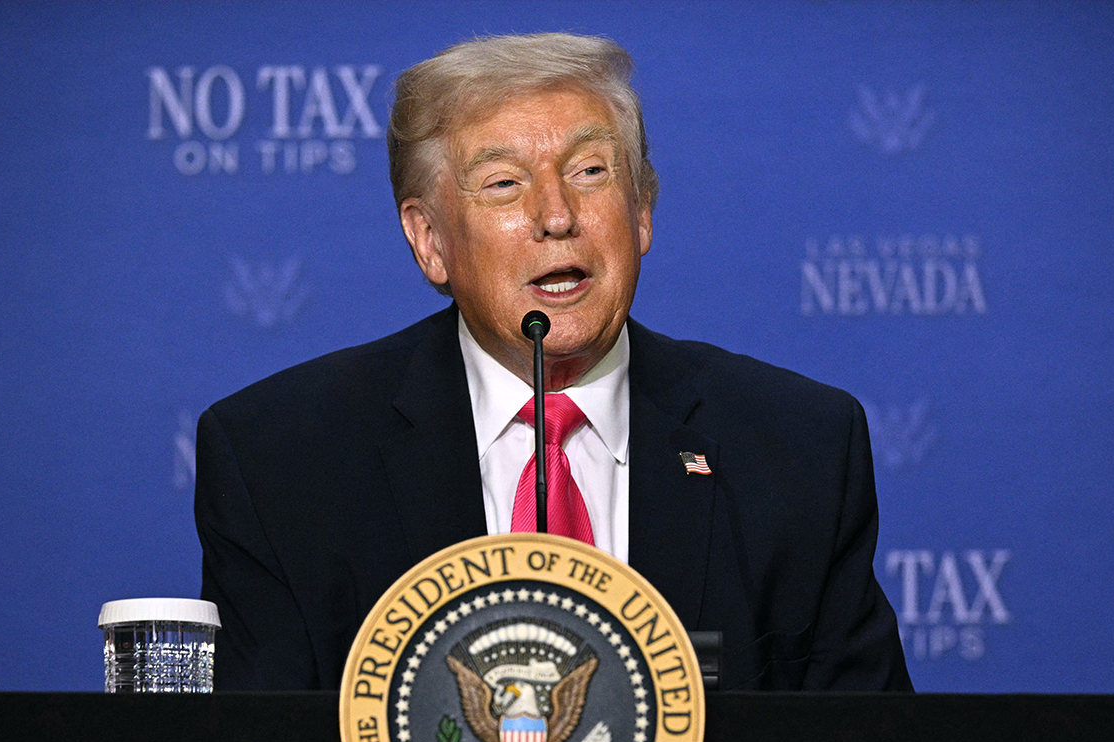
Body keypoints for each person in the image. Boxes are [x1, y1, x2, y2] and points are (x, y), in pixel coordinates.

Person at [196, 33, 911, 692]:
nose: (558, 213)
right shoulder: (281, 462)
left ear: (642, 213)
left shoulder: (799, 448)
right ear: (429, 240)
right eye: (504, 182)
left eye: (591, 171)